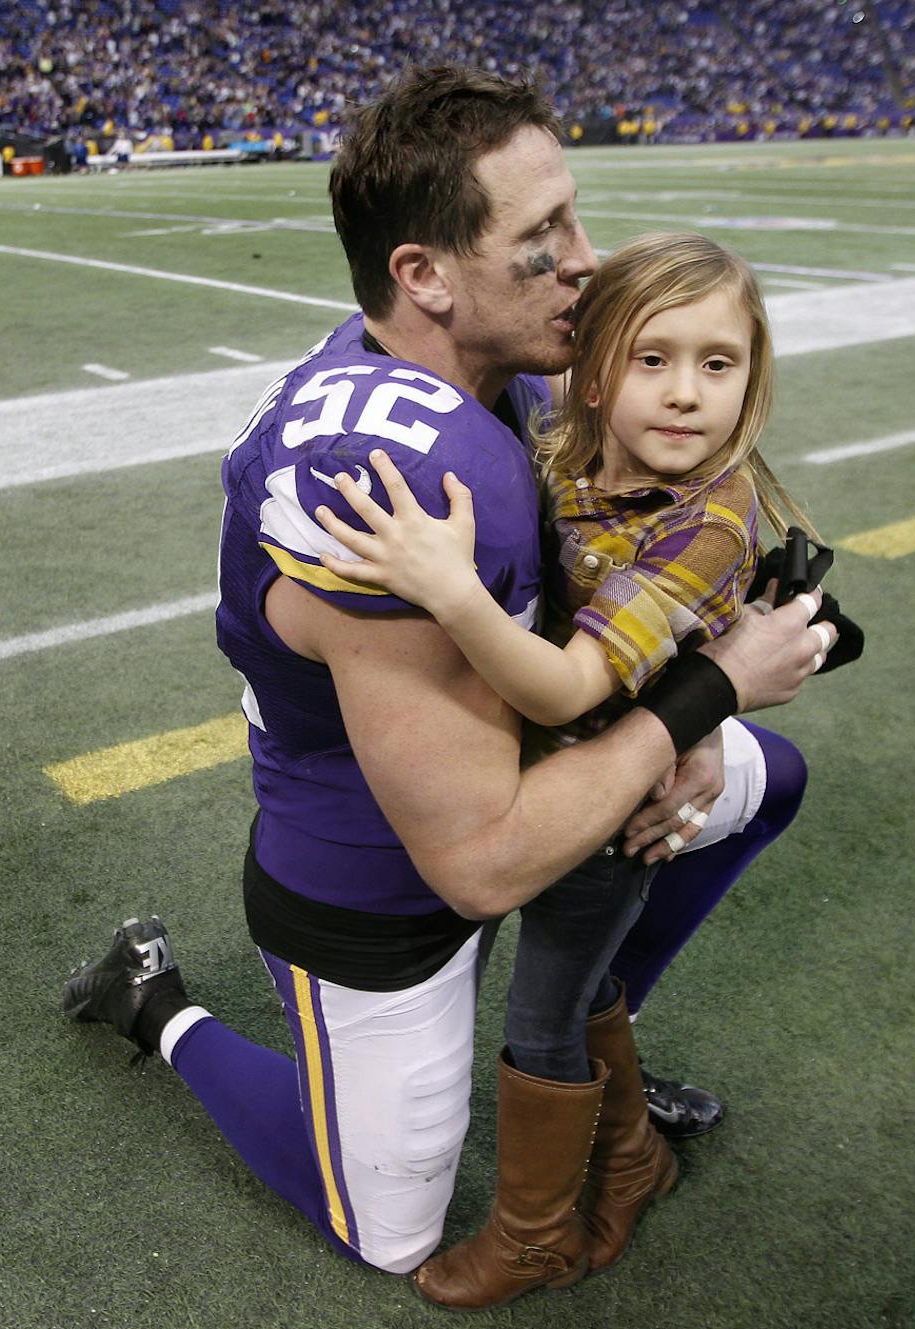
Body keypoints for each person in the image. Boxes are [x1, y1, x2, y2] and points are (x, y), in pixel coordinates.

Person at [61, 65, 833, 1296]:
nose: (589, 261)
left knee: (762, 781)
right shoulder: (386, 480)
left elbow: (676, 520)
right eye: (544, 239)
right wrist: (708, 696)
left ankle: (592, 1048)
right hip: (384, 863)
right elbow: (477, 863)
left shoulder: (516, 363)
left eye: (573, 216)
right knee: (390, 1234)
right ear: (424, 275)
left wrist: (705, 679)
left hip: (541, 750)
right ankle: (153, 1005)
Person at [312, 230, 834, 1302]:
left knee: (543, 1018)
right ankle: (634, 1159)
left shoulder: (706, 523)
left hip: (599, 799)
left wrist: (447, 588)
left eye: (718, 364)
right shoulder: (574, 444)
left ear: (754, 376)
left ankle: (535, 1232)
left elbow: (563, 690)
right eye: (653, 359)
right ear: (593, 372)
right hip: (557, 778)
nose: (686, 394)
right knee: (588, 986)